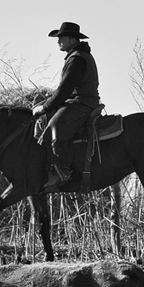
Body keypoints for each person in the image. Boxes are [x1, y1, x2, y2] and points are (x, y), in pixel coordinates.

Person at [31, 21, 100, 187]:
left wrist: (45, 106)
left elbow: (64, 90)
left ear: (72, 40)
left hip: (82, 102)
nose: (58, 41)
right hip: (78, 101)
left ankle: (63, 172)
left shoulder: (77, 58)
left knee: (54, 126)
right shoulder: (76, 56)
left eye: (61, 37)